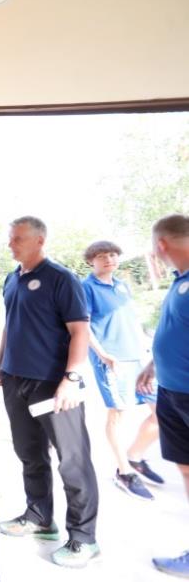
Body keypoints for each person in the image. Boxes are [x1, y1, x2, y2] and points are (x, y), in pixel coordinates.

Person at [0, 216, 100, 568]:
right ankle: (40, 516)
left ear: (39, 240)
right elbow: (10, 324)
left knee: (73, 460)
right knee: (29, 453)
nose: (11, 244)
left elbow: (80, 331)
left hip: (53, 385)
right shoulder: (12, 279)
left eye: (18, 239)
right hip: (16, 381)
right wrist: (0, 364)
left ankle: (84, 538)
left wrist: (71, 378)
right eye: (11, 238)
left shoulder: (61, 278)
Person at [82, 240, 161, 500]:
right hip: (112, 361)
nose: (109, 259)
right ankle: (123, 471)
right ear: (91, 261)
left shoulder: (122, 285)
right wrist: (104, 356)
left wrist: (147, 348)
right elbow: (83, 326)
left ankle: (134, 457)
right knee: (118, 415)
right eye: (102, 256)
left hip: (138, 358)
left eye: (113, 255)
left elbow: (130, 320)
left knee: (161, 413)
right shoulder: (86, 288)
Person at [137, 214, 189, 577]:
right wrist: (153, 364)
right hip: (171, 392)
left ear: (161, 244)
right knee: (185, 467)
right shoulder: (179, 280)